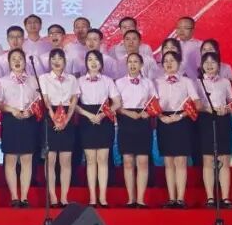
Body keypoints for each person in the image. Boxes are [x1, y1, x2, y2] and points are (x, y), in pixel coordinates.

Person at [75, 50, 120, 208]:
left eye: (96, 59)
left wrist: (103, 114)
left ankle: (103, 197)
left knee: (102, 160)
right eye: (90, 59)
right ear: (86, 63)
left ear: (101, 63)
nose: (93, 62)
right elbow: (74, 105)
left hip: (104, 120)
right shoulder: (79, 81)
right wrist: (88, 115)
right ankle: (93, 198)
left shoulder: (107, 81)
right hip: (87, 120)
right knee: (90, 160)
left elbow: (117, 102)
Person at [155, 51, 200, 208]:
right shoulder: (157, 82)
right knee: (168, 162)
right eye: (165, 61)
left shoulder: (187, 81)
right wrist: (161, 117)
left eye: (172, 60)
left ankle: (180, 199)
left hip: (182, 121)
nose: (168, 63)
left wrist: (180, 116)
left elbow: (197, 103)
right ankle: (171, 198)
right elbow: (152, 104)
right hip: (164, 121)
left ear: (179, 63)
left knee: (180, 161)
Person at [0, 48, 39, 207]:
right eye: (13, 59)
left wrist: (31, 111)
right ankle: (14, 197)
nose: (17, 61)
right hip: (11, 120)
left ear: (25, 62)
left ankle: (24, 197)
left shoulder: (33, 80)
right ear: (9, 63)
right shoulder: (3, 81)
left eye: (20, 58)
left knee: (27, 159)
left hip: (28, 120)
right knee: (11, 158)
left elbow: (38, 101)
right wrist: (12, 110)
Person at [39, 49, 79, 207]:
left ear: (65, 61)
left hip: (67, 118)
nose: (56, 61)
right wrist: (55, 119)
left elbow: (74, 100)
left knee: (66, 160)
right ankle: (53, 197)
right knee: (50, 159)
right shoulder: (44, 78)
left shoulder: (72, 79)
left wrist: (66, 120)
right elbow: (46, 101)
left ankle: (64, 197)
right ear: (49, 61)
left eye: (60, 58)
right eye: (53, 58)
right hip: (51, 117)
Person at [116, 52, 156, 207]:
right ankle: (130, 199)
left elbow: (155, 102)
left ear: (141, 65)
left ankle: (140, 199)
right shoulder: (119, 82)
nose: (132, 65)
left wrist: (149, 112)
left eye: (136, 62)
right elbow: (115, 105)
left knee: (143, 161)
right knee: (127, 161)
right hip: (126, 121)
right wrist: (127, 113)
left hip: (143, 122)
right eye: (130, 62)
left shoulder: (148, 83)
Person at [197, 52, 232, 208]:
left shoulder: (225, 82)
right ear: (202, 66)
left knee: (224, 159)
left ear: (219, 66)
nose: (209, 65)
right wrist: (206, 109)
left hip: (223, 120)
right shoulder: (197, 82)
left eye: (213, 62)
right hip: (206, 120)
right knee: (208, 159)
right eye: (206, 62)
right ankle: (210, 198)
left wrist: (226, 109)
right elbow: (195, 104)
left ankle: (225, 198)